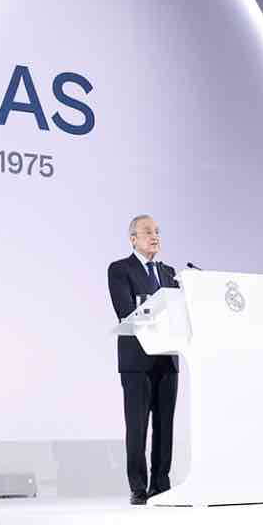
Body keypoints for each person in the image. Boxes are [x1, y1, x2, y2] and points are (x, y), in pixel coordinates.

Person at [107, 214, 180, 505]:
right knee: (137, 426)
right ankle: (138, 487)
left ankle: (161, 484)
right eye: (148, 231)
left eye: (157, 231)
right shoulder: (119, 269)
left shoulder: (169, 273)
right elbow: (125, 311)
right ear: (133, 239)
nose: (155, 236)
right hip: (137, 360)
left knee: (165, 426)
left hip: (167, 359)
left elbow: (178, 312)